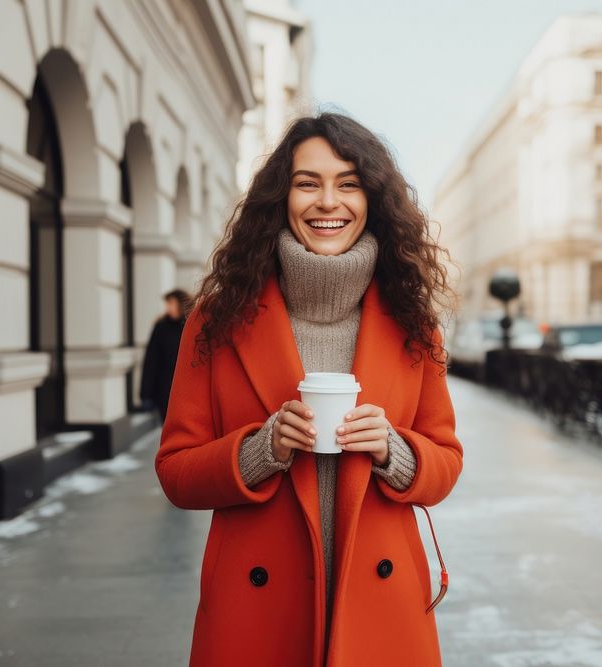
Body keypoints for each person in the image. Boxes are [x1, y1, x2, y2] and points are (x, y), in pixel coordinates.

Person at [154, 112, 464, 667]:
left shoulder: (414, 323)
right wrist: (259, 451)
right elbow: (176, 472)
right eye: (307, 183)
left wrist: (393, 450)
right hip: (257, 611)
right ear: (281, 197)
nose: (328, 201)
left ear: (372, 200)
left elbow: (445, 464)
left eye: (348, 183)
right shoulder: (218, 319)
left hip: (381, 605)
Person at [140, 288, 190, 423]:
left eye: (171, 303)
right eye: (167, 304)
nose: (168, 308)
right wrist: (146, 394)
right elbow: (151, 360)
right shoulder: (160, 327)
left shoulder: (191, 325)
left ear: (181, 304)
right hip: (164, 389)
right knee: (168, 424)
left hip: (187, 388)